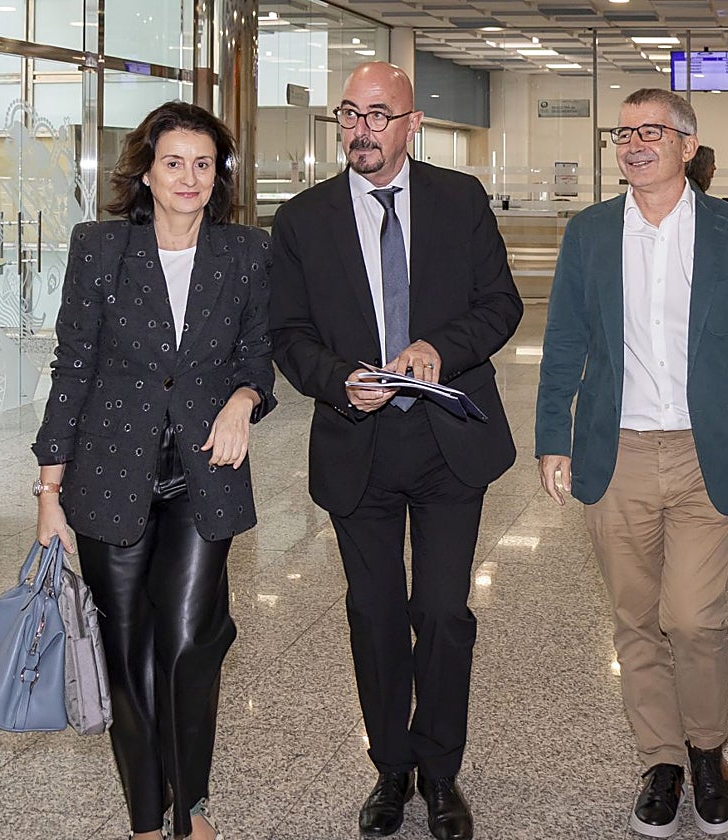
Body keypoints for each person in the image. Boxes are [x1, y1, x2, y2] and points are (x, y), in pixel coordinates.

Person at [269, 62, 522, 840]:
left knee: (441, 612)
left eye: (379, 116)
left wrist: (439, 351)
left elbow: (500, 305)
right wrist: (340, 379)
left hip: (449, 439)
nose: (361, 130)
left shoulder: (459, 200)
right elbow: (288, 336)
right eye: (349, 115)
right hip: (359, 444)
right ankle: (390, 767)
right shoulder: (304, 219)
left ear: (413, 125)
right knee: (374, 615)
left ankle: (441, 771)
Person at [535, 89, 728, 838]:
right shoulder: (589, 233)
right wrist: (554, 435)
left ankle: (708, 750)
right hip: (614, 454)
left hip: (704, 452)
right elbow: (564, 344)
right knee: (633, 617)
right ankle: (662, 758)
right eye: (624, 133)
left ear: (687, 144)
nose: (635, 143)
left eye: (652, 131)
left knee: (693, 616)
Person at [32, 101, 276, 840]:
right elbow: (72, 366)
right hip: (110, 476)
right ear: (145, 170)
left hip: (203, 475)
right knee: (126, 651)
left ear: (219, 176)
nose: (189, 177)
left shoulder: (245, 253)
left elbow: (257, 359)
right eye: (174, 161)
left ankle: (191, 806)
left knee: (188, 640)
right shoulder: (100, 248)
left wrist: (241, 401)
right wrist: (49, 488)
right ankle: (147, 814)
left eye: (204, 164)